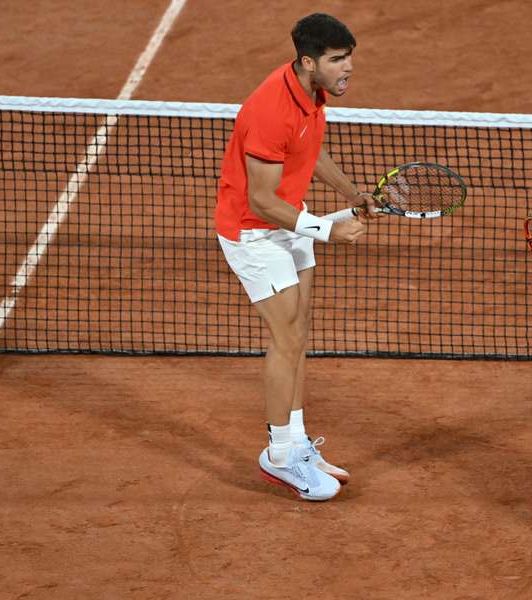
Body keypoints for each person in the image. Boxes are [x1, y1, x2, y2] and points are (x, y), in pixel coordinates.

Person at [215, 13, 377, 502]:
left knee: (298, 333)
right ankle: (280, 456)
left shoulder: (313, 94)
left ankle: (296, 441)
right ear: (309, 61)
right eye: (335, 60)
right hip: (255, 233)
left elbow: (309, 151)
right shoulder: (270, 108)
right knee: (285, 338)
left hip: (290, 220)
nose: (347, 68)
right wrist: (328, 229)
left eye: (349, 57)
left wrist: (353, 191)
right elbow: (262, 201)